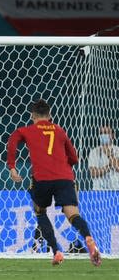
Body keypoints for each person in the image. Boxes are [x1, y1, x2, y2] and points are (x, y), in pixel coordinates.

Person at [7, 99, 101, 267]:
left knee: (40, 212)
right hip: (65, 178)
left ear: (32, 116)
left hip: (42, 179)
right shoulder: (59, 130)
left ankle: (56, 251)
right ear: (49, 116)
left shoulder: (27, 130)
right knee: (73, 214)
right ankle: (88, 237)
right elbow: (74, 157)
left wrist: (12, 167)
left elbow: (13, 140)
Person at [88, 125, 119, 190]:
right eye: (101, 133)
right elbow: (93, 173)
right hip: (98, 191)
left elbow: (117, 167)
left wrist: (109, 155)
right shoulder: (94, 152)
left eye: (106, 133)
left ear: (113, 135)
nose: (103, 135)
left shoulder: (117, 150)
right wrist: (109, 166)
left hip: (116, 190)